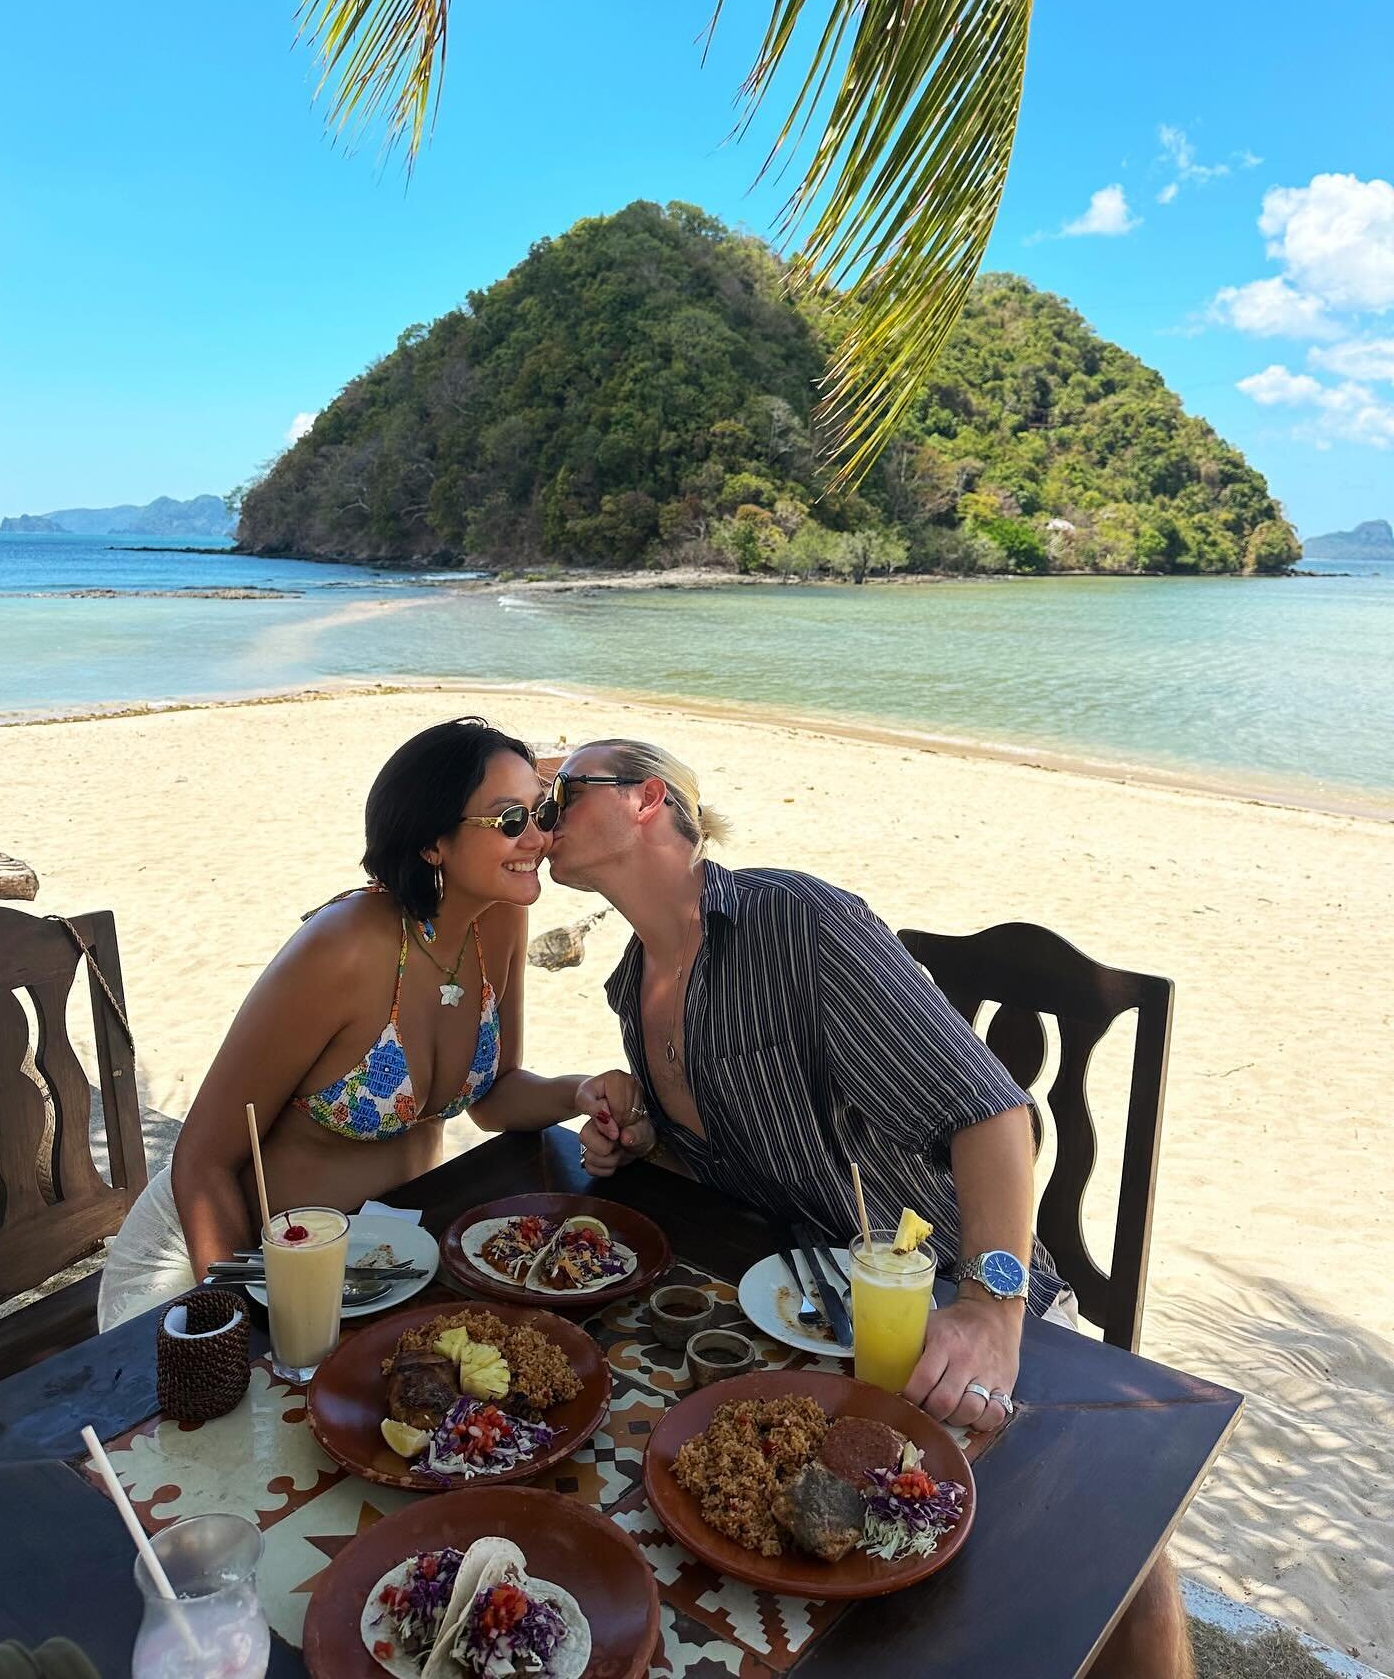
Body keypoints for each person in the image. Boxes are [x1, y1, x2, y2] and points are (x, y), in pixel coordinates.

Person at [545, 736, 1193, 1679]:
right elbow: (741, 1152)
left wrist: (992, 1308)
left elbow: (996, 1114)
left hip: (954, 1293)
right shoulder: (630, 981)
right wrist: (648, 1143)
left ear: (648, 801)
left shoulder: (800, 924)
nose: (545, 809)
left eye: (566, 787)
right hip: (810, 1309)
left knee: (1111, 1541)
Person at [97, 717, 598, 1330]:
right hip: (219, 1264)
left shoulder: (498, 920)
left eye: (541, 814)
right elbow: (202, 1160)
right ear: (431, 842)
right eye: (510, 821)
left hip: (378, 1264)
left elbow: (492, 1099)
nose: (538, 840)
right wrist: (243, 1325)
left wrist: (579, 1092)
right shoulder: (341, 949)